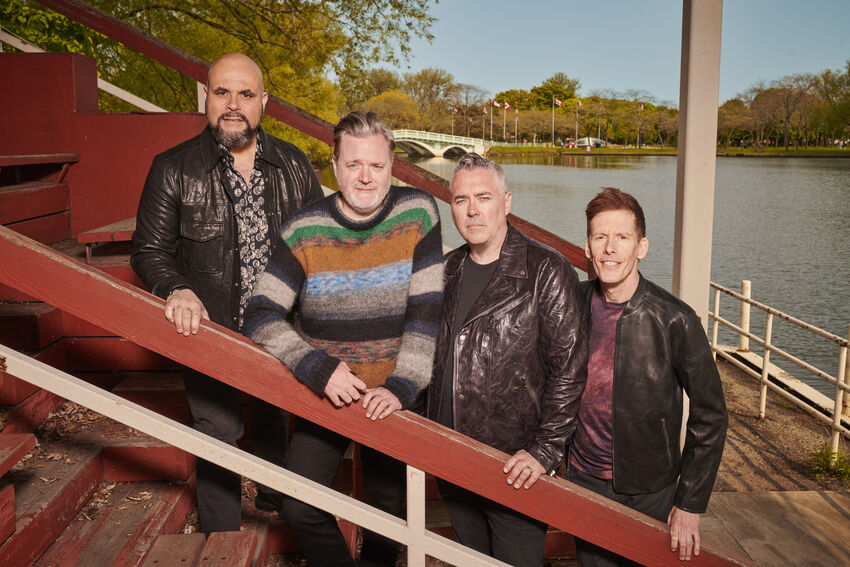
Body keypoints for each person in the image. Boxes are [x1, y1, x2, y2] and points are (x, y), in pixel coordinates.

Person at [130, 53, 324, 534]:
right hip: (209, 332)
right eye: (222, 93)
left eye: (245, 94)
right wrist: (176, 288)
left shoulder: (295, 166)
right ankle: (220, 541)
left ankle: (278, 506)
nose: (233, 104)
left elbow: (322, 248)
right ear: (205, 98)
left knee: (276, 421)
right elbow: (149, 250)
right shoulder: (172, 168)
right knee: (218, 433)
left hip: (281, 331)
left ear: (265, 103)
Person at [242, 111, 444, 567]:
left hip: (392, 393)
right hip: (328, 389)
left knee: (387, 514)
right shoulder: (303, 229)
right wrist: (314, 366)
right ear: (334, 167)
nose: (366, 177)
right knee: (298, 505)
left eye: (376, 165)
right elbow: (260, 314)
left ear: (393, 165)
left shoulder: (419, 212)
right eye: (354, 165)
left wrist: (403, 385)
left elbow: (427, 310)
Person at [427, 153, 589, 567]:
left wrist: (545, 451)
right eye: (461, 199)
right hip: (452, 455)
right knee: (470, 559)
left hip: (514, 464)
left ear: (507, 201)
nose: (473, 209)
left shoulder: (546, 270)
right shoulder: (446, 271)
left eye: (484, 196)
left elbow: (569, 370)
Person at [570, 187, 728, 565]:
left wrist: (689, 503)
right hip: (582, 479)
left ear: (641, 247)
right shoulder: (569, 303)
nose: (610, 248)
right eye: (600, 237)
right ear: (587, 246)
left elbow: (710, 415)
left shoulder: (675, 319)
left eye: (622, 237)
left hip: (649, 489)